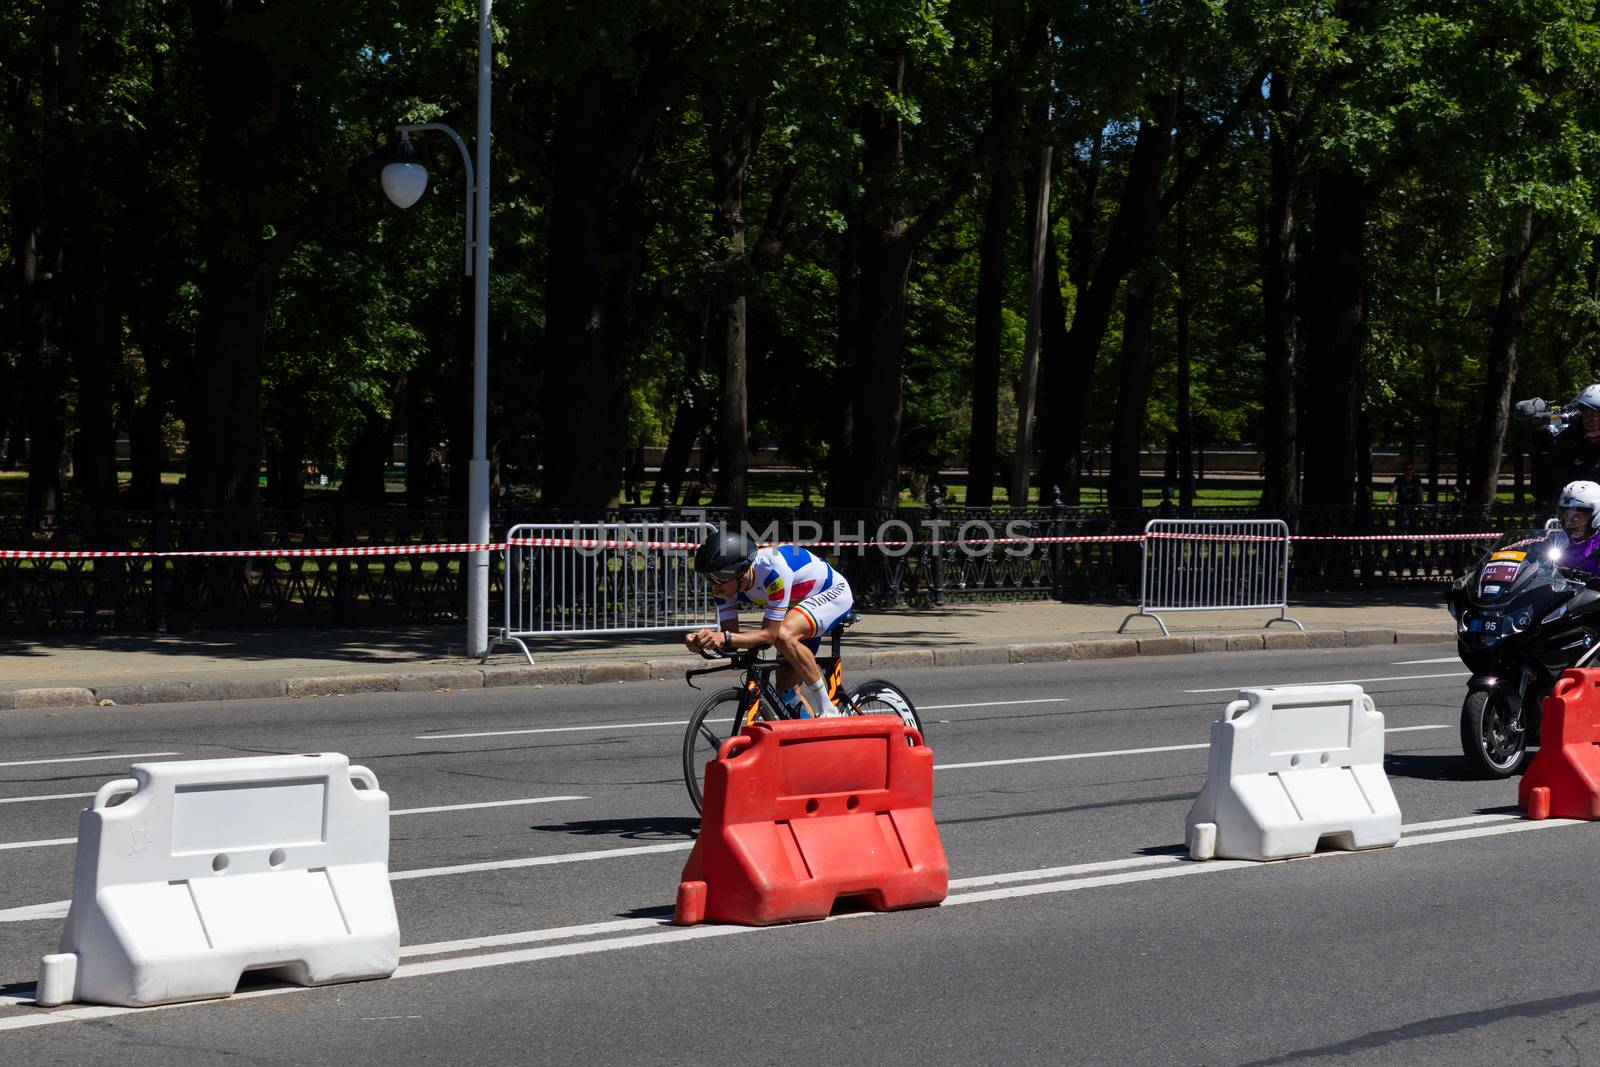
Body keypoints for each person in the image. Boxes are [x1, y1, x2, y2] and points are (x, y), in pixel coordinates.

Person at [684, 530, 854, 717]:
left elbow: (770, 635)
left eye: (717, 577)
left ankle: (829, 711)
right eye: (708, 577)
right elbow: (731, 636)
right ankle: (814, 740)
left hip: (832, 593)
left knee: (783, 635)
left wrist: (723, 638)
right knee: (785, 691)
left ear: (738, 571)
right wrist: (703, 641)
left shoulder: (772, 571)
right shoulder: (725, 587)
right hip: (798, 605)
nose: (713, 584)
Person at [1525, 387, 1600, 502]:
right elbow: (1542, 490)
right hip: (1571, 514)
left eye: (1595, 415)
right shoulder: (1572, 447)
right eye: (1585, 414)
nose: (1589, 420)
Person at [1557, 480, 1600, 575]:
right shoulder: (1559, 541)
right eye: (1565, 513)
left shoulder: (1597, 546)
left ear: (1596, 514)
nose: (1569, 521)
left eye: (1578, 515)